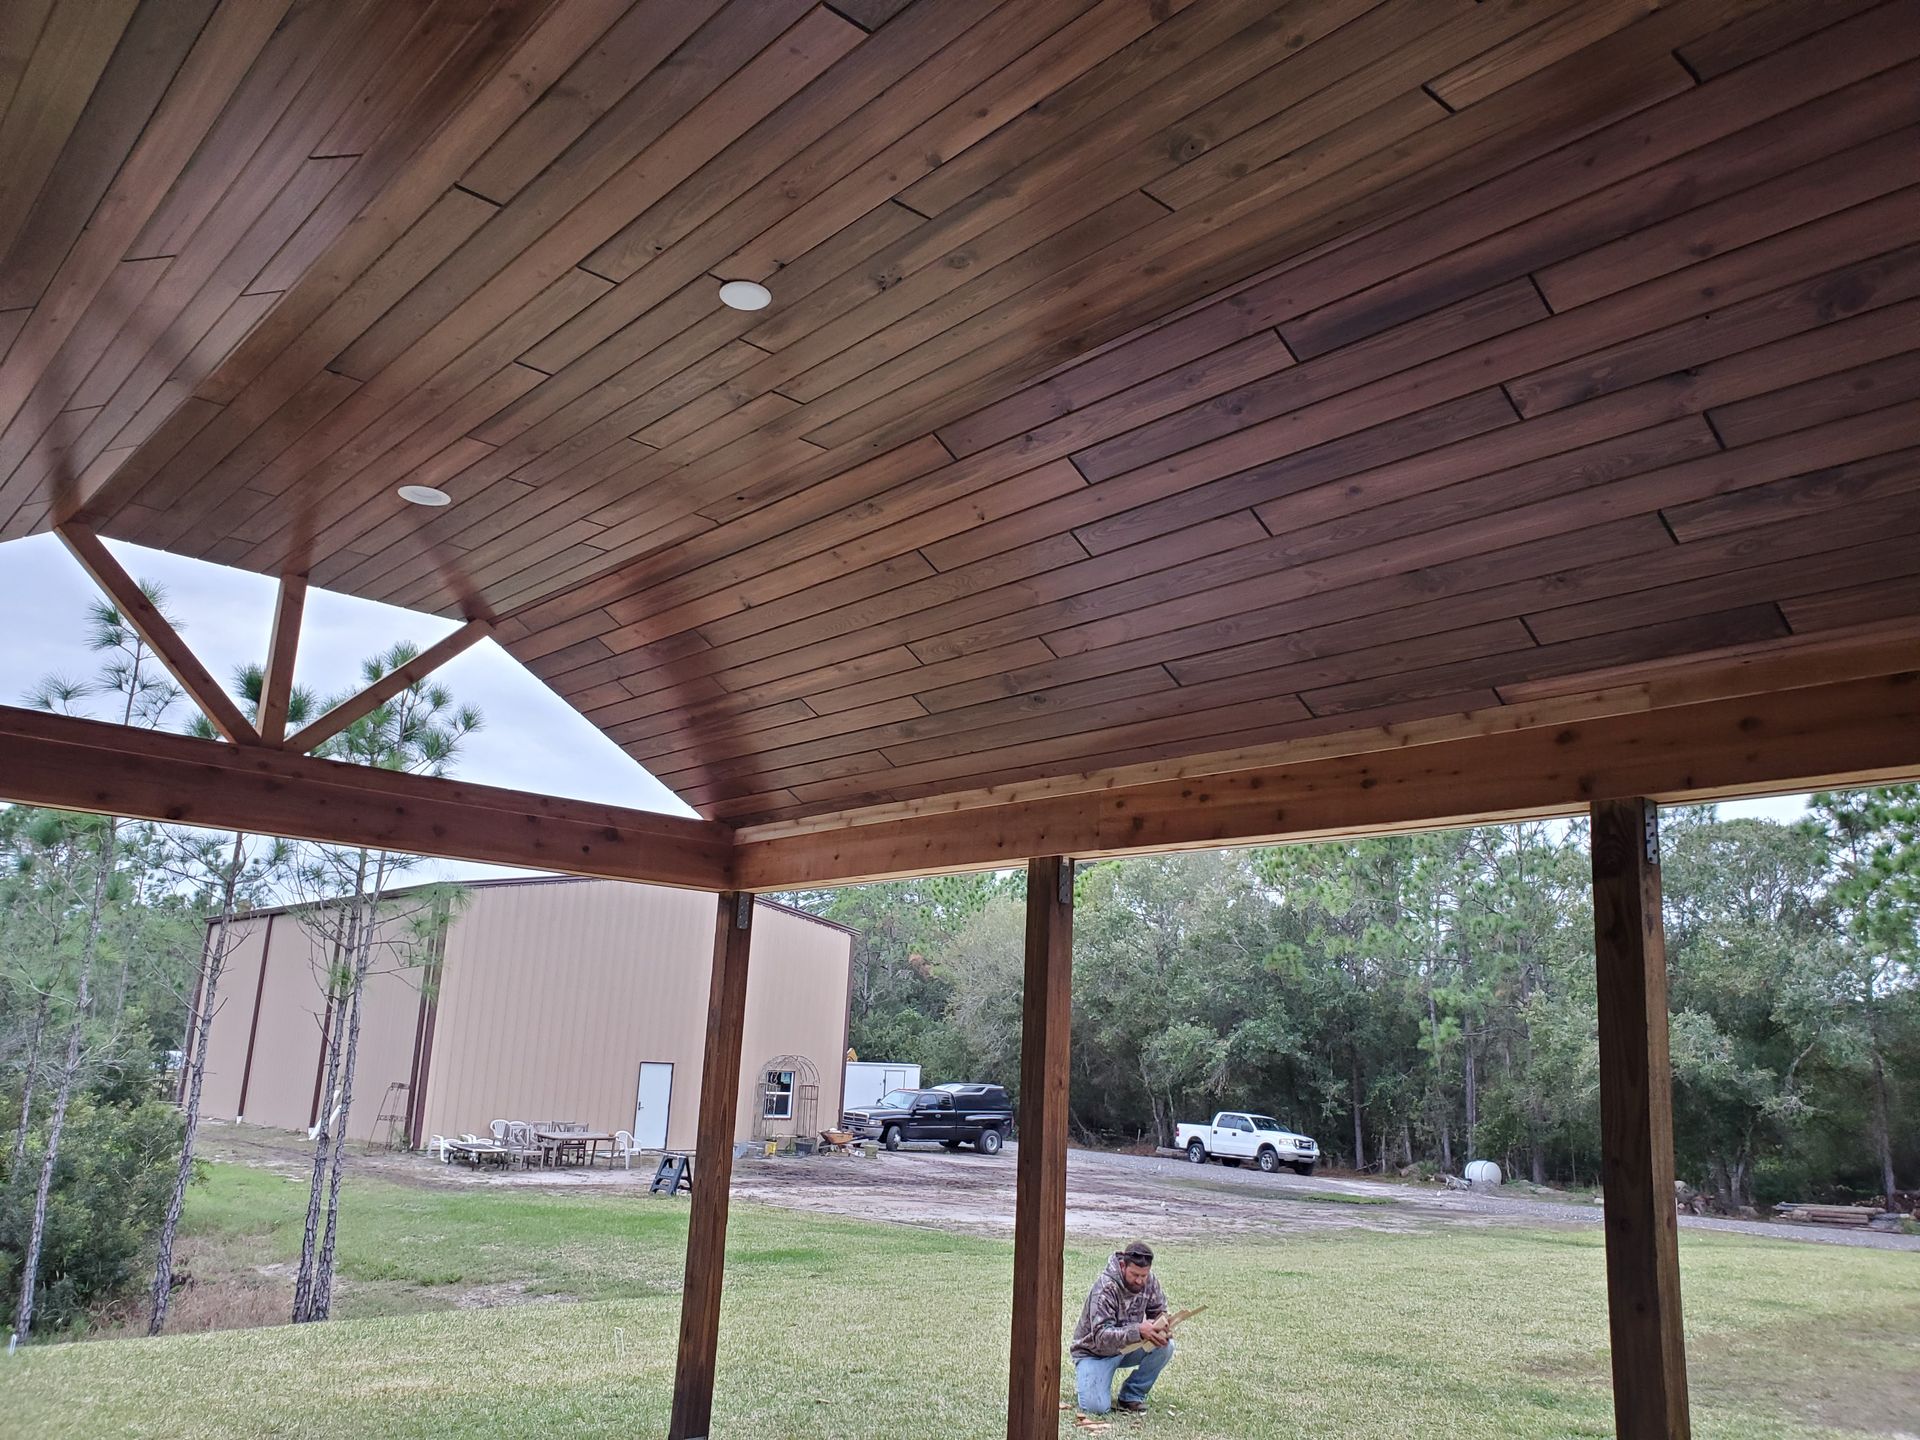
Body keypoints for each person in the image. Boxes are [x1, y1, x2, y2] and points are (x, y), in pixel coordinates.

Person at [1069, 1239, 1175, 1415]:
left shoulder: (1149, 1280)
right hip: (1094, 1353)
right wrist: (1138, 1330)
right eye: (1134, 1274)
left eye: (1144, 1275)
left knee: (1165, 1345)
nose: (1140, 1280)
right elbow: (1101, 1337)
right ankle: (1089, 1380)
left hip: (1127, 1347)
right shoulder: (1105, 1288)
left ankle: (1131, 1395)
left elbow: (1158, 1310)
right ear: (1122, 1266)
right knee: (1096, 1408)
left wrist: (1162, 1325)